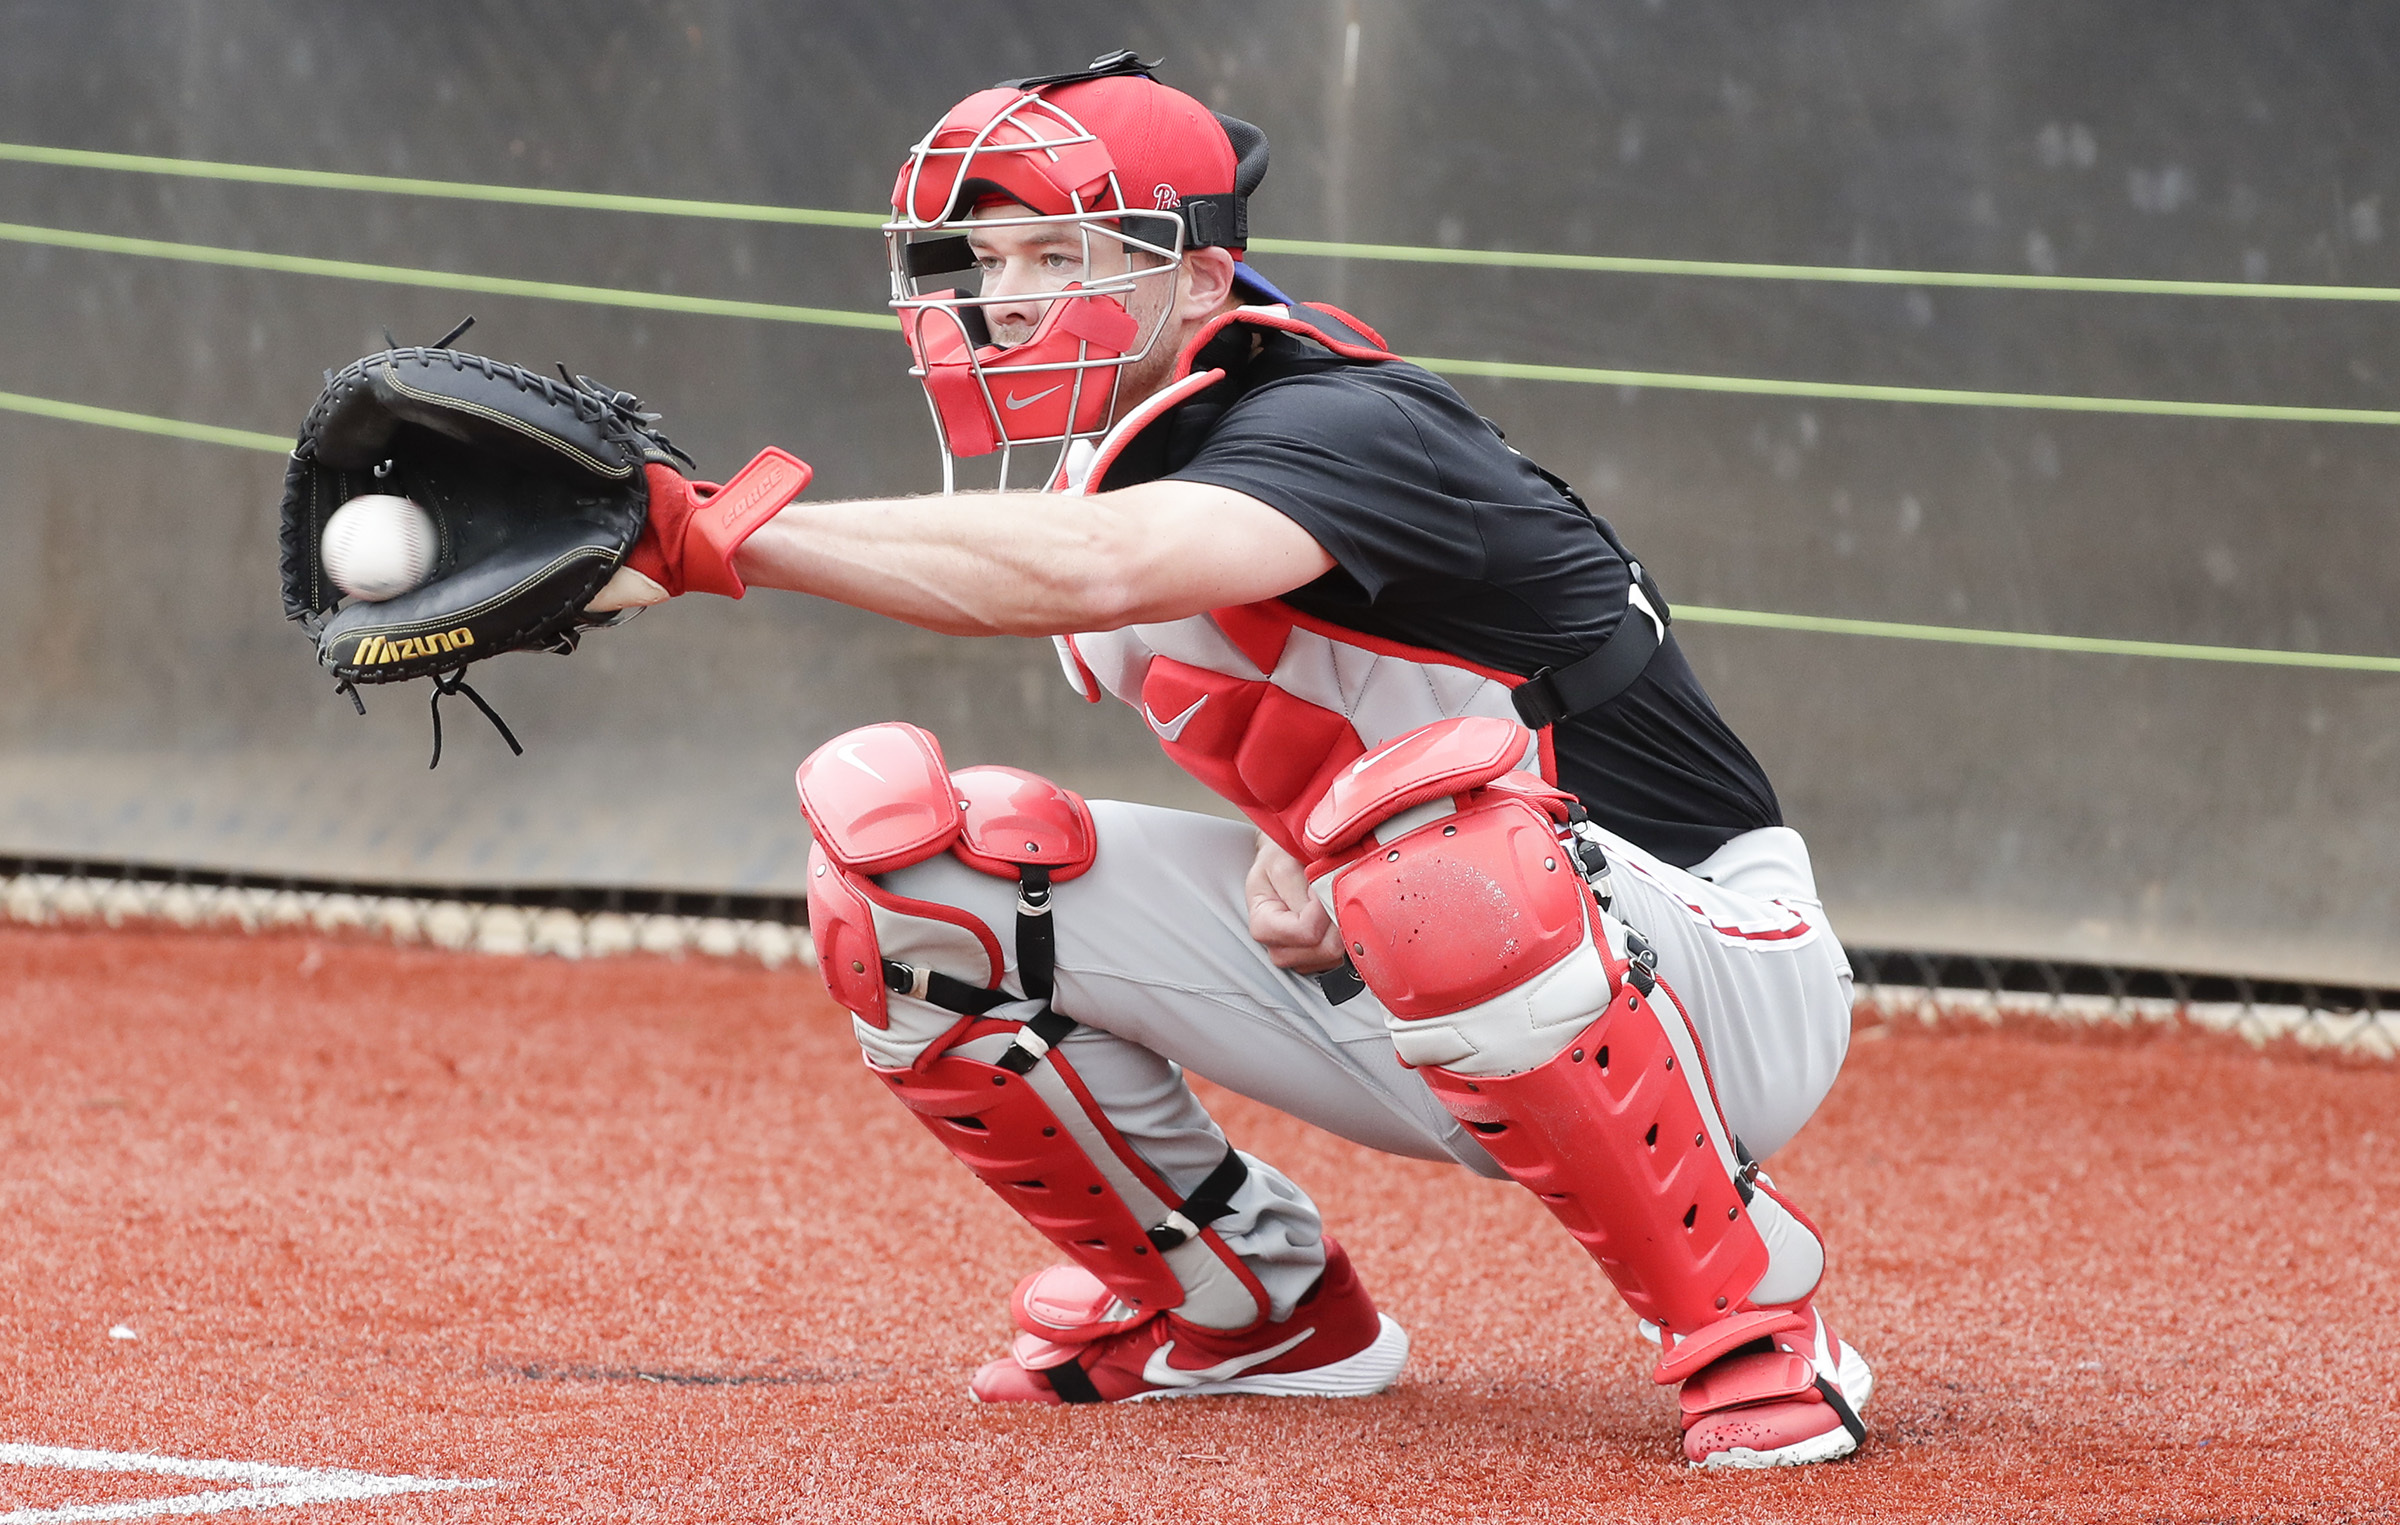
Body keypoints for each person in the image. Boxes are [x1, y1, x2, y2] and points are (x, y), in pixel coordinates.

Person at [592, 51, 1871, 1468]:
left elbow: (1104, 568)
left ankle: (1754, 1319)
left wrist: (717, 532)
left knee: (1439, 856)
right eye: (979, 255)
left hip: (1714, 978)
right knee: (914, 874)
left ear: (1199, 278)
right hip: (1422, 960)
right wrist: (1295, 841)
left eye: (1060, 252)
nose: (1002, 295)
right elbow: (1331, 697)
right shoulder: (1123, 448)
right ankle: (1243, 1301)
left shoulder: (1339, 418)